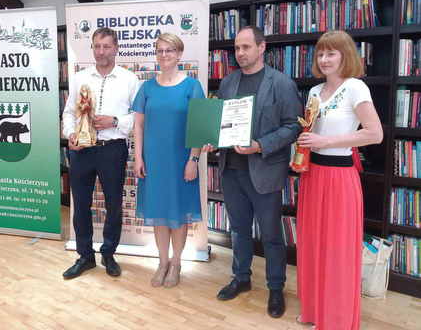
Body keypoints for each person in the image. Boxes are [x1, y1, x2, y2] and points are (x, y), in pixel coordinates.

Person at [202, 26, 302, 318]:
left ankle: (275, 287)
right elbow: (221, 123)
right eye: (236, 48)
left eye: (246, 47)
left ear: (262, 47)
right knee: (239, 229)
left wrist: (260, 145)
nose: (240, 53)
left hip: (265, 172)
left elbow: (293, 127)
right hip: (231, 170)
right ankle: (241, 277)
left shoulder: (281, 83)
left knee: (271, 234)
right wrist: (211, 139)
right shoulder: (228, 82)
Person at [292, 30, 383, 330]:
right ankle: (314, 311)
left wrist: (325, 142)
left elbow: (375, 133)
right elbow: (312, 133)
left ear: (346, 55)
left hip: (339, 177)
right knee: (312, 244)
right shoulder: (314, 91)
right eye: (320, 53)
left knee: (337, 250)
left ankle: (337, 320)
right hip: (312, 175)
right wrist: (302, 151)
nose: (324, 59)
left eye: (331, 53)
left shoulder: (355, 87)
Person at [62, 27, 140, 279]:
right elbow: (68, 113)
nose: (101, 51)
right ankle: (85, 256)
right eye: (97, 46)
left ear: (116, 48)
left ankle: (108, 253)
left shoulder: (130, 79)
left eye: (107, 46)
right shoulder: (80, 78)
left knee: (114, 205)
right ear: (92, 48)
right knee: (81, 205)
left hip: (113, 150)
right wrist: (70, 135)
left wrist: (113, 121)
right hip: (82, 151)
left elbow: (138, 117)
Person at [133, 33, 204, 288]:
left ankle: (176, 263)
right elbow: (138, 125)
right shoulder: (147, 87)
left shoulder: (192, 86)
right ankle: (162, 263)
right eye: (160, 50)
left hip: (181, 161)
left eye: (169, 50)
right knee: (159, 213)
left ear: (179, 54)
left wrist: (193, 159)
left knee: (178, 214)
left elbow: (199, 127)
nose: (164, 55)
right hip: (154, 161)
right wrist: (138, 157)